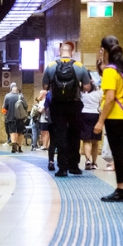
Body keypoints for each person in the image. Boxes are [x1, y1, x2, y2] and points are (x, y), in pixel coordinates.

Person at [93, 35, 123, 202]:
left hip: (115, 116)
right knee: (120, 152)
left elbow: (110, 98)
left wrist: (100, 121)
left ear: (104, 50)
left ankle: (121, 190)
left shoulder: (111, 71)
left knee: (117, 153)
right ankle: (121, 188)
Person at [42, 41, 92, 177]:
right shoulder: (79, 66)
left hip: (57, 105)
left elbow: (45, 86)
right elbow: (87, 88)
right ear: (72, 53)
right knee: (74, 134)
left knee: (60, 135)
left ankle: (62, 168)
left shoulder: (51, 66)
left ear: (60, 52)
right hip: (74, 105)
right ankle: (74, 166)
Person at [79, 65, 103, 170]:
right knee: (95, 141)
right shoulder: (99, 92)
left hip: (84, 115)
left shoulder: (81, 92)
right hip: (96, 115)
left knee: (86, 140)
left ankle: (87, 160)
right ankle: (94, 163)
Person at [2, 83, 26, 153]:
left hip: (10, 117)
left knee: (12, 132)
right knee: (20, 133)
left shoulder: (7, 96)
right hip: (20, 117)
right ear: (17, 90)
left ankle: (13, 147)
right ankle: (20, 148)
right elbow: (26, 105)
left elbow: (4, 108)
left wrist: (5, 114)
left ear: (11, 89)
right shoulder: (21, 96)